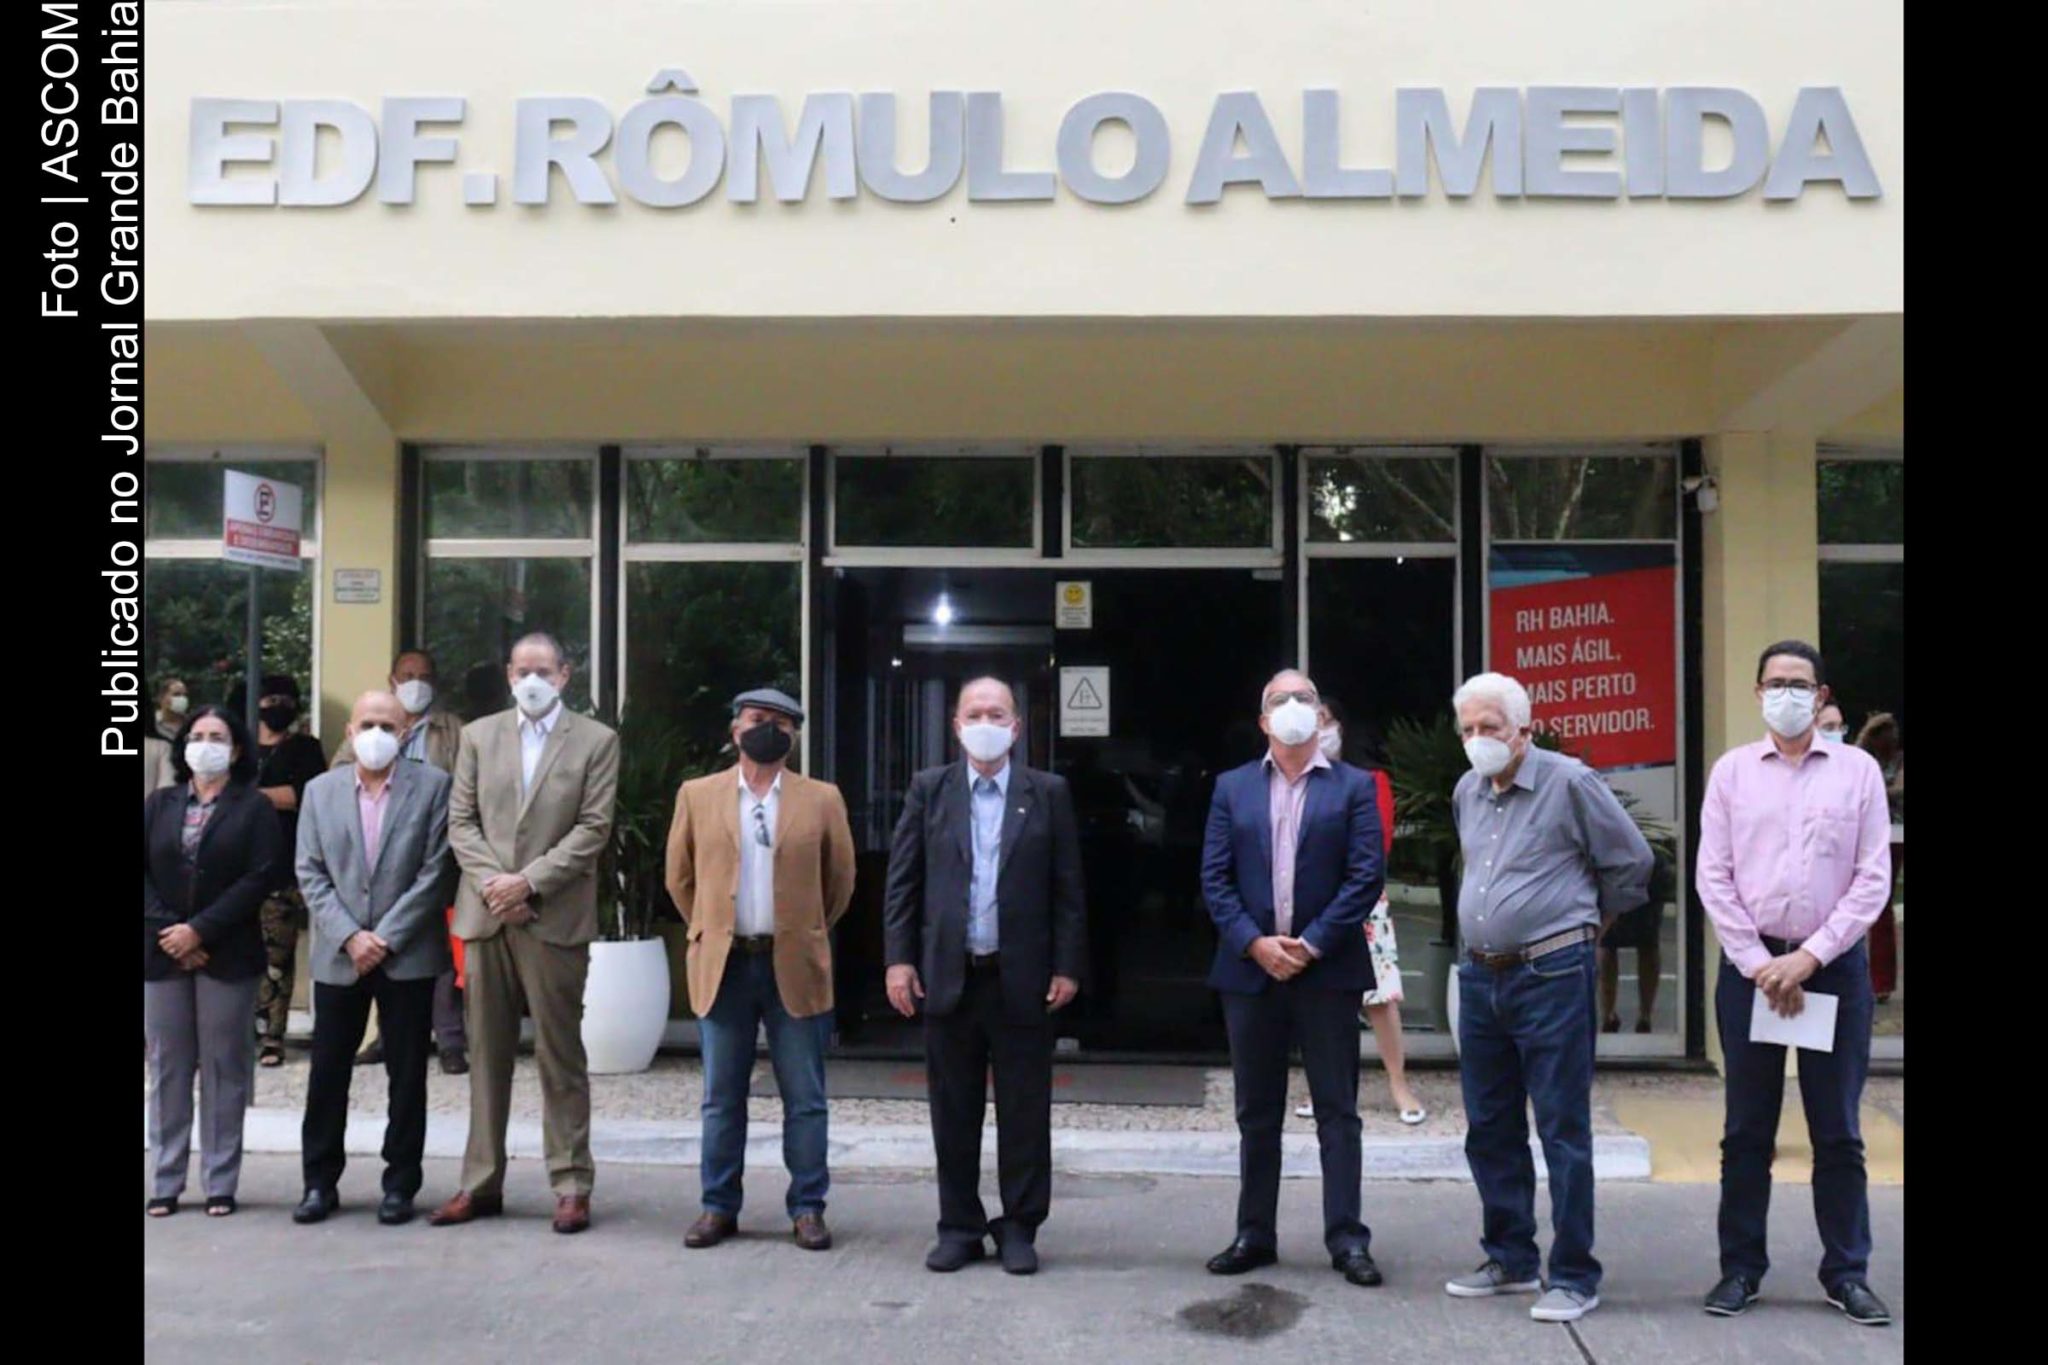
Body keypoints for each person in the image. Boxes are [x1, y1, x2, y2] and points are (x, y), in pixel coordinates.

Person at [1696, 642, 1893, 1328]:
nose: (1786, 692)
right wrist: (1759, 963)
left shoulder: (1859, 772)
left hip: (1830, 969)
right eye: (1775, 682)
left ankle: (1846, 1271)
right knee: (1746, 1129)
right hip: (1751, 969)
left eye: (1799, 683)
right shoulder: (1730, 774)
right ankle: (1740, 1268)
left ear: (1820, 693)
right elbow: (1713, 875)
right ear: (1757, 693)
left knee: (1836, 1128)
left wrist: (1807, 957)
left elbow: (1872, 878)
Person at [1444, 671, 1651, 1324]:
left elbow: (1632, 862)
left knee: (1562, 1126)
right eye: (1469, 730)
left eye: (1491, 728)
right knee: (1490, 1124)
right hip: (1480, 977)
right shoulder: (1466, 791)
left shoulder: (1568, 781)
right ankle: (1509, 1255)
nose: (1479, 741)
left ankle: (1573, 1273)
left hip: (1551, 975)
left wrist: (1590, 923)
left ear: (1524, 730)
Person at [883, 677, 1087, 1275]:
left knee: (1025, 1110)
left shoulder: (1048, 793)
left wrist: (1069, 965)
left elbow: (1069, 888)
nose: (986, 721)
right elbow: (903, 883)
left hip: (1021, 977)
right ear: (956, 725)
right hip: (949, 975)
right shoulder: (930, 791)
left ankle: (1020, 1225)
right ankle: (960, 1226)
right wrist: (898, 958)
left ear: (1016, 727)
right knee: (953, 1109)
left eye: (997, 713)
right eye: (974, 713)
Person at [1200, 670, 1386, 1288]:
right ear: (1263, 721)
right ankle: (1255, 1231)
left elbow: (1365, 877)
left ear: (1321, 716)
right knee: (1257, 1111)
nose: (1292, 708)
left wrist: (1308, 945)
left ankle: (1347, 1238)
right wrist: (1255, 944)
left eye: (1303, 699)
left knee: (1338, 1110)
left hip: (1325, 971)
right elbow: (1214, 879)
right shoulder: (1231, 789)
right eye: (1279, 700)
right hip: (1250, 973)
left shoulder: (1354, 788)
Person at [432, 633, 619, 1236]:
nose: (531, 679)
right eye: (521, 669)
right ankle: (480, 1181)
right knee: (486, 1055)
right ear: (508, 674)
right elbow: (461, 821)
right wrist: (497, 885)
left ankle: (570, 1183)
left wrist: (528, 883)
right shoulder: (478, 736)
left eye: (543, 669)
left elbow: (592, 828)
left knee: (560, 1055)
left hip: (553, 917)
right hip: (487, 916)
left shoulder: (596, 741)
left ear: (565, 675)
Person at [665, 688, 857, 1254]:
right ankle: (718, 1205)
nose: (767, 729)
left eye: (780, 723)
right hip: (725, 963)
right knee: (722, 1096)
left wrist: (804, 926)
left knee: (805, 1097)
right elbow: (680, 879)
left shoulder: (821, 798)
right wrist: (712, 925)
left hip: (792, 961)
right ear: (735, 729)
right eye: (757, 720)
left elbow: (839, 882)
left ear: (793, 737)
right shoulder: (697, 795)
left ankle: (807, 1208)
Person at [291, 692, 456, 1227]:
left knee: (407, 1074)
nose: (378, 733)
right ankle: (319, 1182)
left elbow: (436, 872)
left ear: (406, 732)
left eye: (389, 724)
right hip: (341, 957)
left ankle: (400, 1184)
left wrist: (382, 937)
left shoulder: (434, 788)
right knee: (328, 1072)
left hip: (405, 954)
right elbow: (309, 871)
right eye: (368, 723)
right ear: (349, 732)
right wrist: (350, 937)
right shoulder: (319, 791)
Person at [145, 705, 284, 1217]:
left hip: (227, 952)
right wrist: (172, 932)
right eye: (197, 735)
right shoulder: (158, 804)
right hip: (162, 955)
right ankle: (165, 1179)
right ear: (183, 746)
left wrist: (200, 931)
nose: (205, 743)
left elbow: (260, 876)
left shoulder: (254, 809)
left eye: (217, 736)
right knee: (168, 1068)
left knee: (225, 1068)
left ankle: (220, 1180)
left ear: (237, 748)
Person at [334, 649, 469, 1076]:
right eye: (408, 675)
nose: (416, 683)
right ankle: (385, 1036)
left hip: (434, 854)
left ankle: (449, 1040)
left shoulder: (453, 730)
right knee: (383, 945)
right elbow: (338, 774)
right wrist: (389, 738)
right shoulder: (372, 726)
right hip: (376, 859)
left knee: (439, 952)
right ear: (392, 680)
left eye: (424, 676)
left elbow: (467, 784)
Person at [1296, 700, 1424, 1125]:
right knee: (1319, 1002)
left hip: (1362, 902)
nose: (1322, 730)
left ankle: (1398, 1083)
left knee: (1381, 999)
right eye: (1312, 723)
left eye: (1327, 720)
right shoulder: (1293, 782)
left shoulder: (1371, 782)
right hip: (1311, 905)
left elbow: (1377, 848)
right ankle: (1323, 1086)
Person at [249, 674, 328, 1068]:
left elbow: (303, 795)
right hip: (236, 870)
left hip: (282, 869)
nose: (277, 705)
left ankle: (272, 1037)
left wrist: (247, 797)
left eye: (285, 698)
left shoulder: (304, 748)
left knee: (276, 958)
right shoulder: (238, 746)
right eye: (269, 698)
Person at [1854, 712, 1903, 1003]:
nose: (1889, 736)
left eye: (1892, 730)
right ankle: (1875, 982)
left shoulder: (1899, 760)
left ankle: (1881, 983)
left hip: (1896, 835)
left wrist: (1874, 790)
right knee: (1872, 909)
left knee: (1883, 909)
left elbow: (1898, 789)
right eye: (1882, 731)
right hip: (1875, 838)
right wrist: (1865, 732)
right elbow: (1848, 756)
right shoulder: (1863, 762)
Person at [155, 677, 190, 742]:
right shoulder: (150, 724)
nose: (182, 699)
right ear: (161, 698)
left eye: (184, 695)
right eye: (176, 694)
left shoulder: (191, 724)